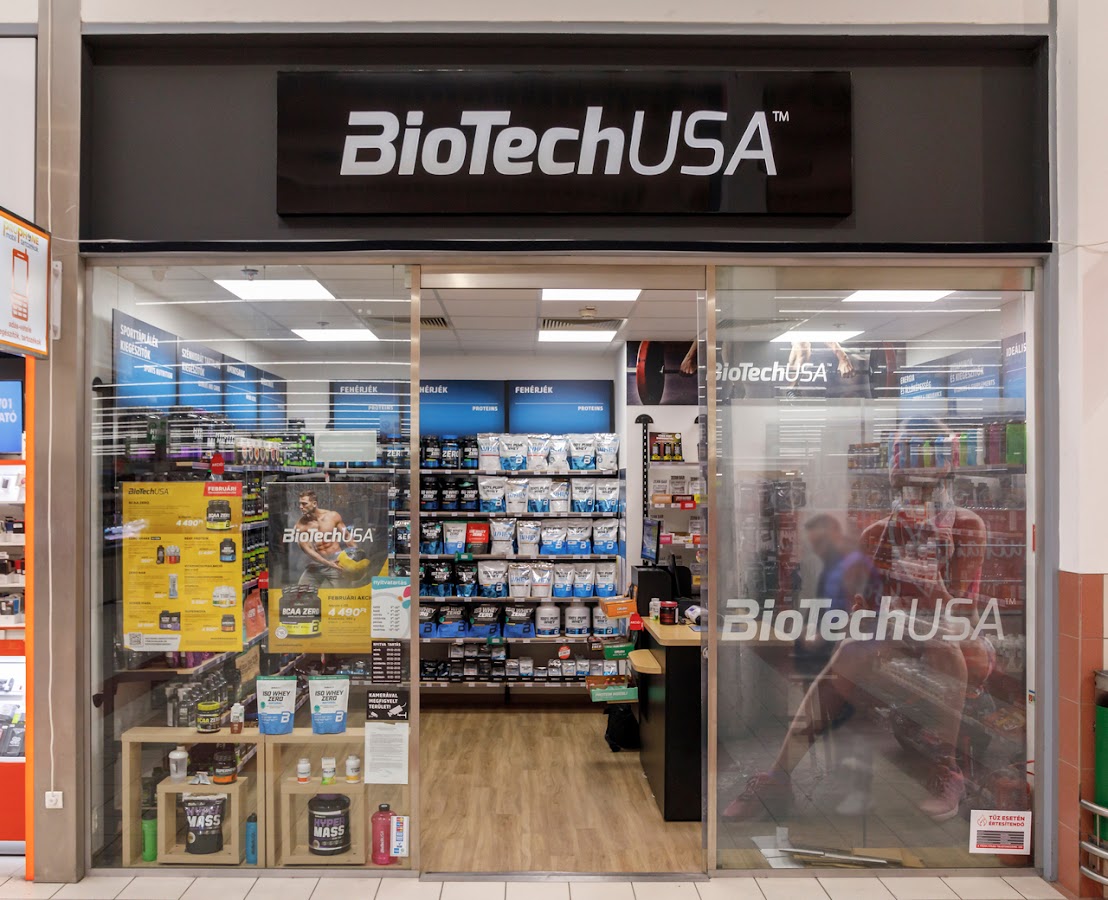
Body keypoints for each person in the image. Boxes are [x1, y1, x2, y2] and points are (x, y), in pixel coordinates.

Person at [723, 419, 990, 823]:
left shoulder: (966, 527)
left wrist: (931, 582)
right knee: (844, 657)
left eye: (927, 487)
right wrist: (862, 613)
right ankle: (778, 777)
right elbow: (866, 612)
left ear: (945, 482)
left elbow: (960, 613)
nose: (916, 498)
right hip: (896, 635)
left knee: (944, 648)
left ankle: (946, 769)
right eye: (908, 487)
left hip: (950, 636)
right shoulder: (878, 534)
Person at [294, 490, 357, 588]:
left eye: (304, 504)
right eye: (300, 504)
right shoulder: (300, 526)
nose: (301, 507)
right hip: (317, 563)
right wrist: (328, 563)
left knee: (343, 594)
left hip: (337, 563)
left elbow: (347, 537)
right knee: (302, 591)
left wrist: (355, 558)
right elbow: (309, 551)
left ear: (314, 504)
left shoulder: (332, 516)